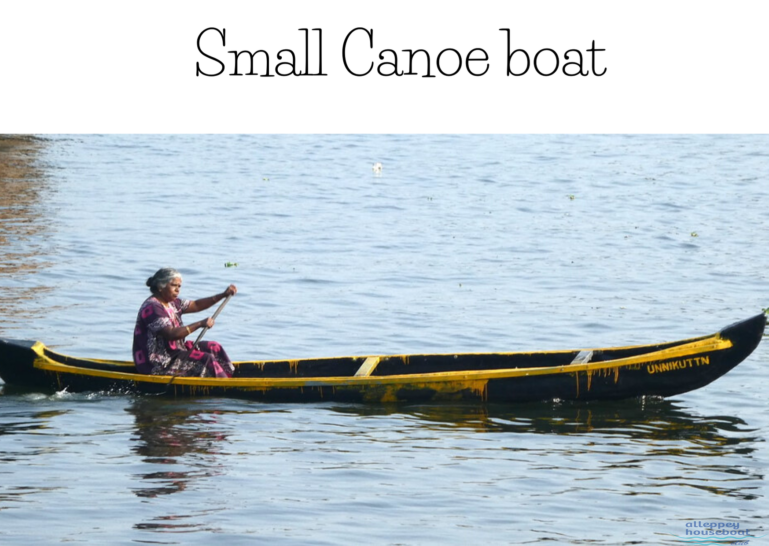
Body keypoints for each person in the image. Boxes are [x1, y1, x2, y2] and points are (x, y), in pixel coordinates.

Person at [133, 267, 237, 378]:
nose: (177, 290)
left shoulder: (173, 303)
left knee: (214, 347)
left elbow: (196, 305)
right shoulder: (153, 307)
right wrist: (199, 324)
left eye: (179, 286)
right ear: (160, 286)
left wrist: (223, 295)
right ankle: (224, 386)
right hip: (159, 362)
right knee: (206, 358)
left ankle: (228, 378)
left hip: (175, 351)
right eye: (173, 285)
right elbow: (171, 334)